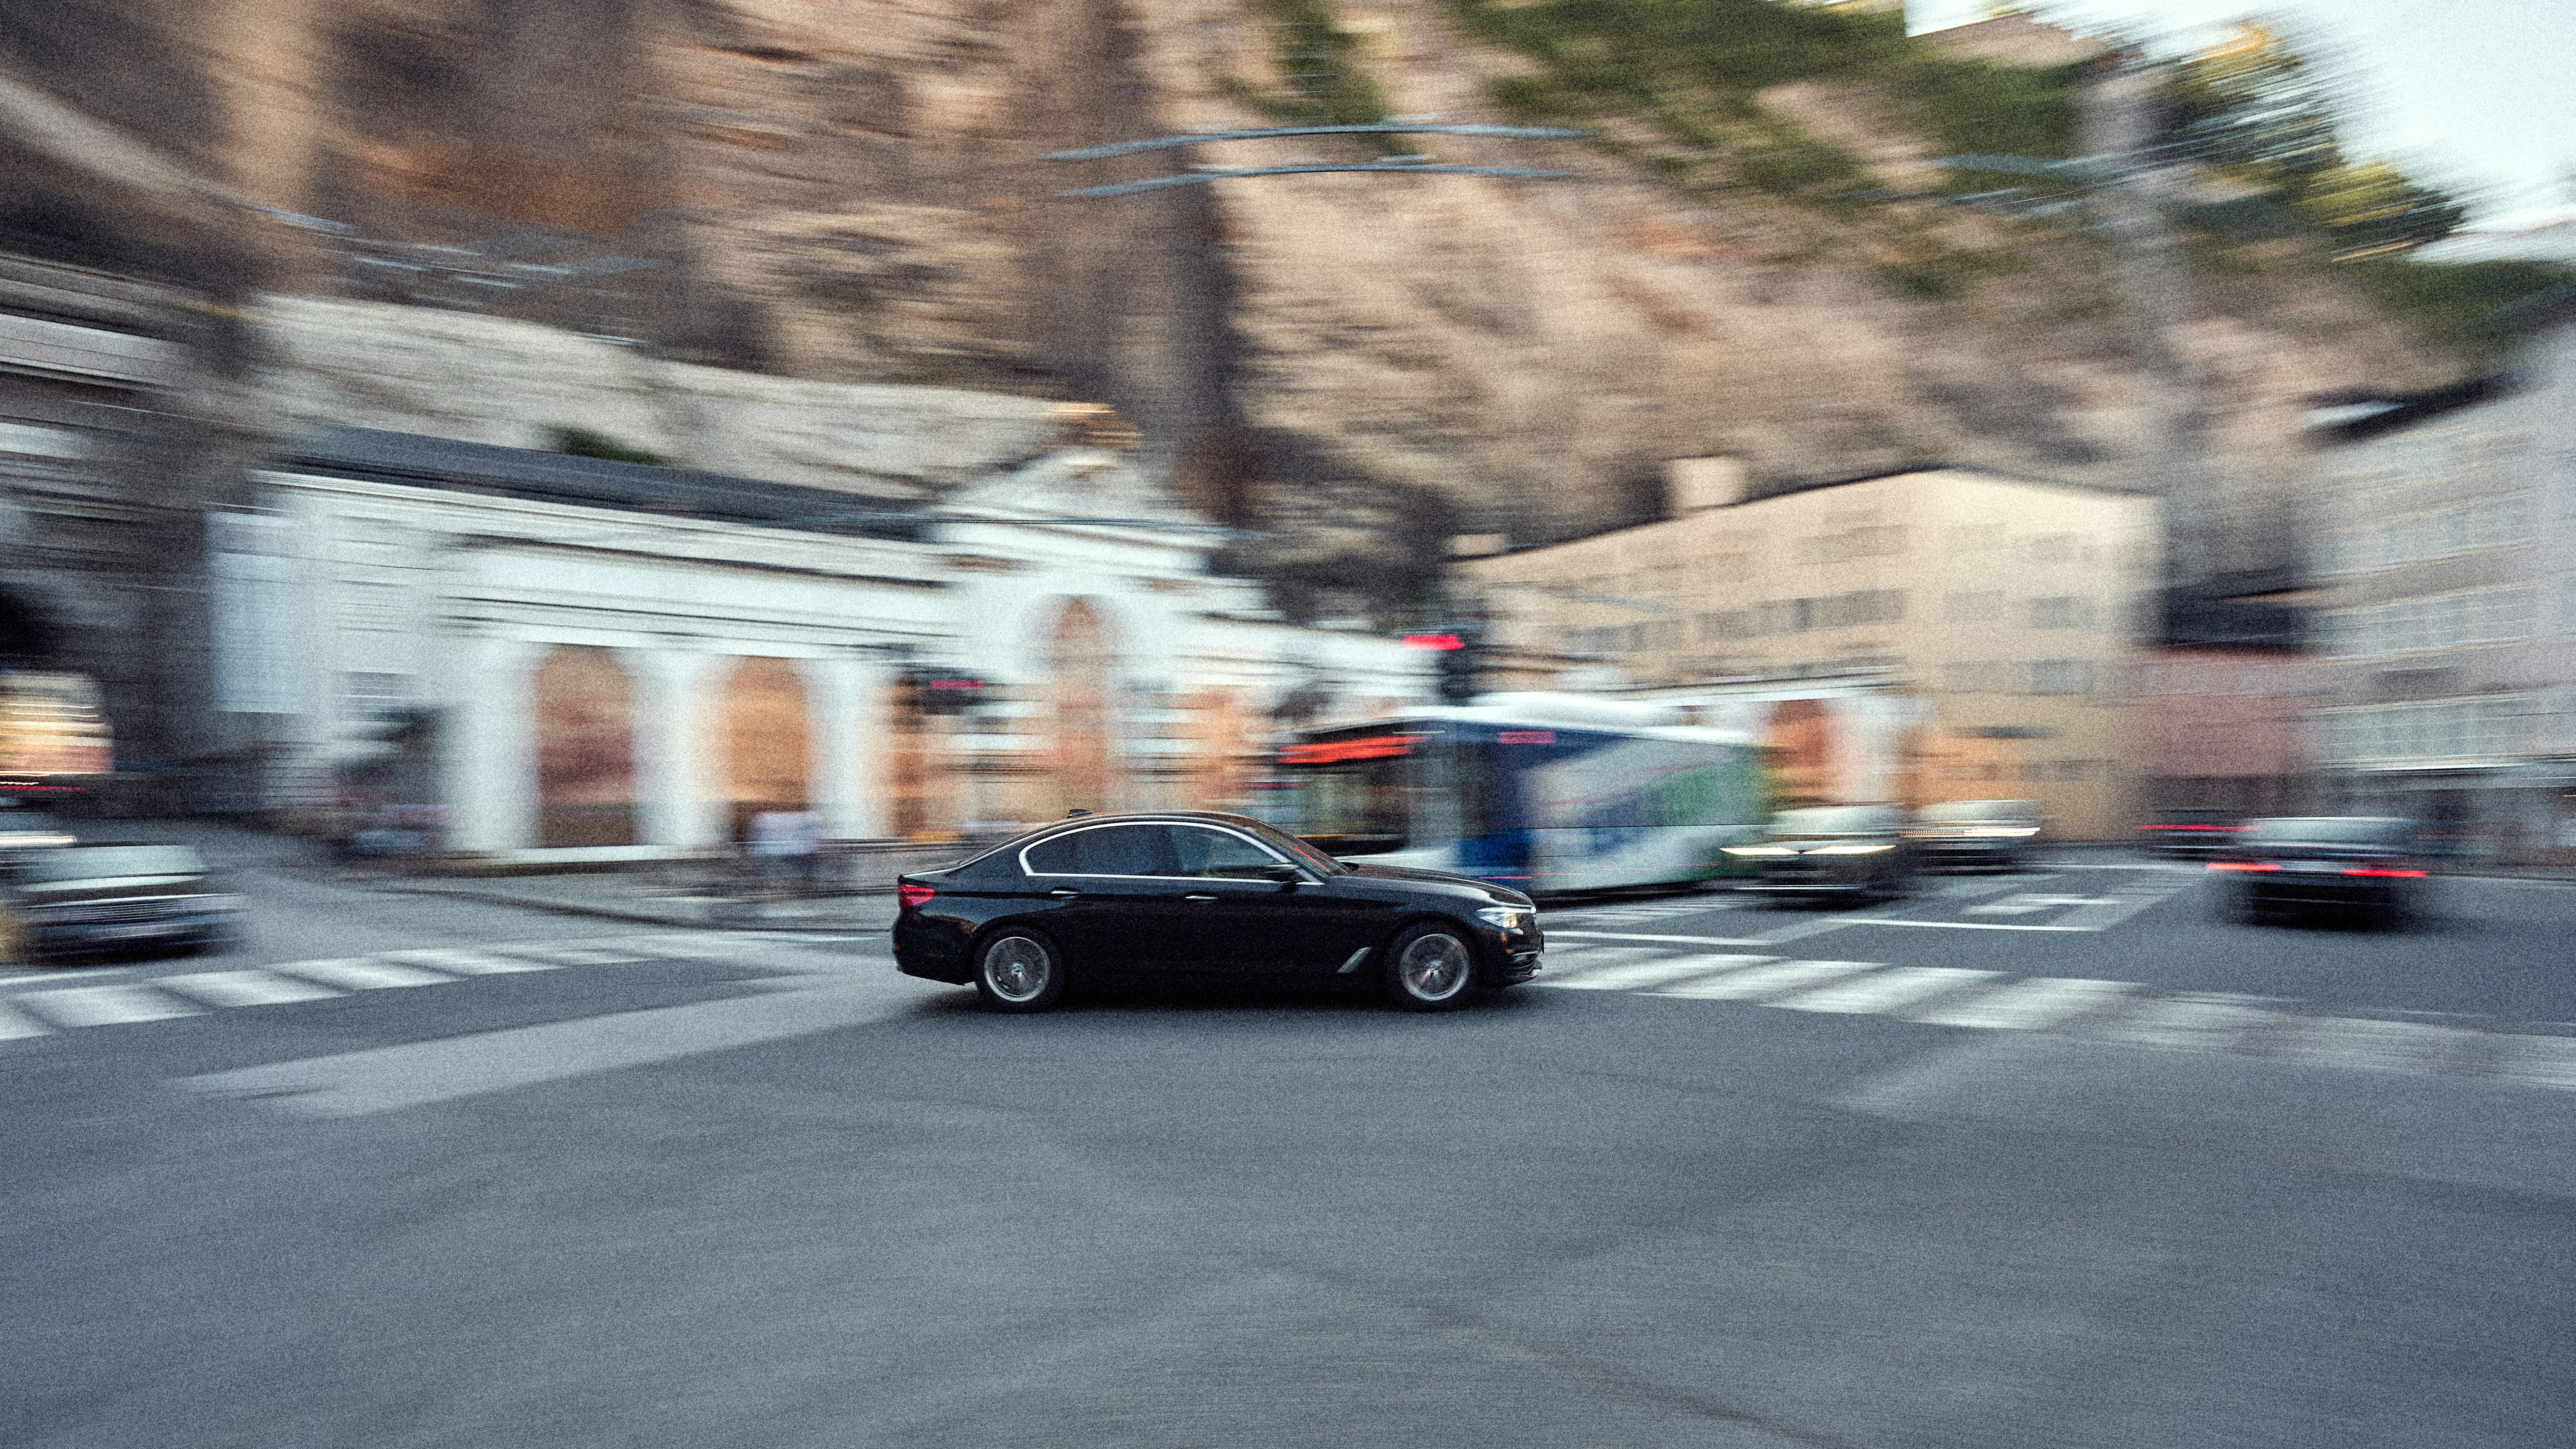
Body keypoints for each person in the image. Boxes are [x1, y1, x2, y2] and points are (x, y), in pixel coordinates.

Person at [745, 808, 822, 896]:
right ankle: (803, 889)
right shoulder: (808, 818)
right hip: (796, 851)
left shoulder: (763, 819)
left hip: (779, 851)